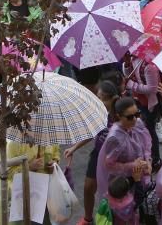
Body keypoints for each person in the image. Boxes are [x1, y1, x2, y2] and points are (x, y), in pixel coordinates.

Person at [64, 79, 120, 225]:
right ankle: (88, 218)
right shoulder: (99, 112)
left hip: (116, 159)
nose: (98, 101)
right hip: (98, 154)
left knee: (112, 192)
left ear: (113, 99)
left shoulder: (121, 116)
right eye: (98, 97)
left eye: (101, 98)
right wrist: (74, 147)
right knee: (88, 187)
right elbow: (92, 132)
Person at [0, 136, 60, 225]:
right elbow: (6, 172)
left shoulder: (50, 137)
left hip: (45, 193)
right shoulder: (14, 143)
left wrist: (55, 162)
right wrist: (28, 167)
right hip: (22, 195)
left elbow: (56, 152)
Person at [96, 97, 152, 201]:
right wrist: (133, 165)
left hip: (139, 174)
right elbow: (110, 165)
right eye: (130, 117)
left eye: (137, 114)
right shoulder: (115, 138)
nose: (135, 119)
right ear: (119, 116)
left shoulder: (137, 123)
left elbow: (146, 142)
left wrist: (148, 161)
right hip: (124, 181)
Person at [124, 53, 162, 169]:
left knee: (150, 130)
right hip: (139, 100)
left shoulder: (150, 66)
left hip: (150, 104)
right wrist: (127, 64)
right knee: (142, 128)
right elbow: (129, 74)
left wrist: (131, 85)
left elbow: (152, 88)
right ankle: (146, 154)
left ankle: (155, 159)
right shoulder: (134, 59)